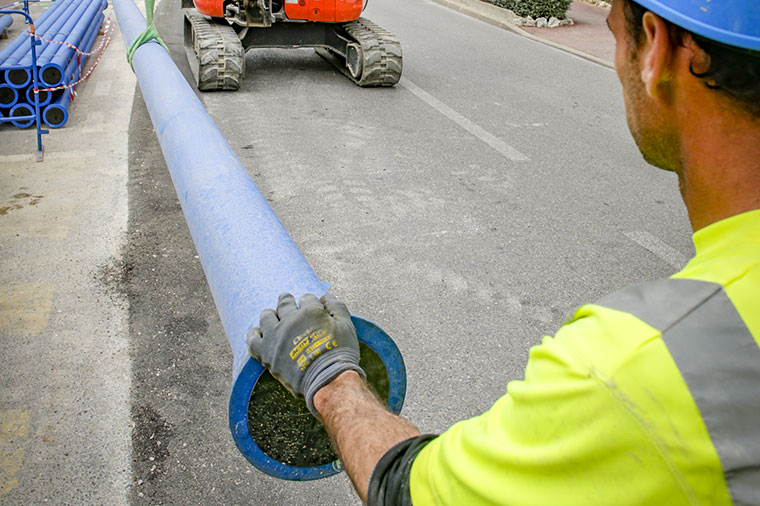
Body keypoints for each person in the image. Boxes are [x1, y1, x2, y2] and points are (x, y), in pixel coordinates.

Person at [246, 0, 760, 503]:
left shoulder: (640, 366)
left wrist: (329, 376)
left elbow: (409, 489)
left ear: (658, 47)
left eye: (614, 33)